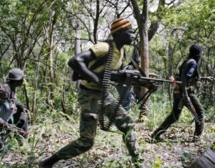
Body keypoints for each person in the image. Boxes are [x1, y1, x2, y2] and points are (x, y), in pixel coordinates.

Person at [38, 18, 142, 168]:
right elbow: (75, 61)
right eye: (130, 32)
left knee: (128, 125)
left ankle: (138, 162)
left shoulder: (121, 51)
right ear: (119, 33)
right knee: (86, 142)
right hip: (90, 95)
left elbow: (111, 73)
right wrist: (96, 79)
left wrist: (134, 79)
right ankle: (48, 163)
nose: (133, 35)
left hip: (104, 95)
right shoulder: (104, 47)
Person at [151, 44, 204, 142]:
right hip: (186, 92)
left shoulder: (186, 61)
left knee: (174, 116)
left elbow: (184, 76)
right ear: (198, 54)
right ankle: (197, 138)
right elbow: (184, 77)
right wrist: (186, 95)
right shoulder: (193, 63)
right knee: (200, 113)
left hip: (178, 92)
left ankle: (156, 134)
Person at [0, 68, 28, 149]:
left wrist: (20, 106)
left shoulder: (12, 89)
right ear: (17, 81)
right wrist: (6, 125)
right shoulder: (3, 91)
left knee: (23, 116)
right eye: (22, 79)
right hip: (2, 123)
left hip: (5, 121)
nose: (23, 81)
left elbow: (13, 102)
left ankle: (22, 143)